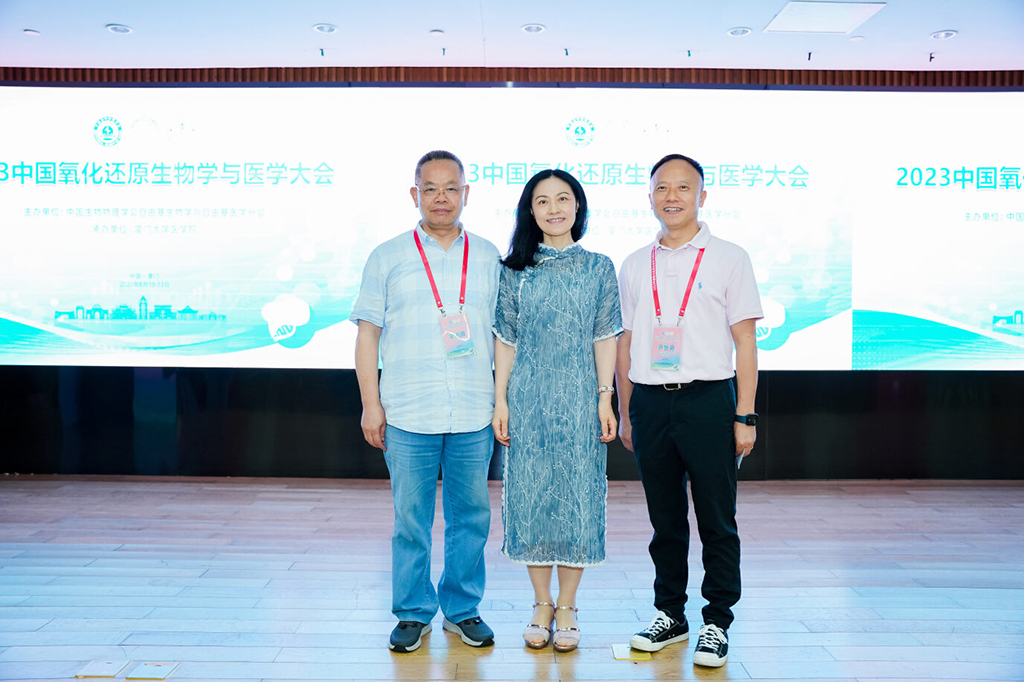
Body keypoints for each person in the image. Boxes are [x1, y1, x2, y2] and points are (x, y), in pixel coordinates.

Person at [351, 150, 501, 653]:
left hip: (474, 410)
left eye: (451, 188)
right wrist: (371, 404)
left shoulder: (489, 256)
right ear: (414, 194)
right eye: (430, 189)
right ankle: (413, 612)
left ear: (465, 194)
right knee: (410, 521)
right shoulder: (388, 255)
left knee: (471, 518)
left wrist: (504, 400)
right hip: (407, 410)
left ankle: (462, 609)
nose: (441, 198)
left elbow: (504, 336)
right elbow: (367, 335)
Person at [616, 154, 762, 668]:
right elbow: (625, 342)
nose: (672, 196)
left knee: (717, 519)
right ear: (650, 196)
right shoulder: (635, 263)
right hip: (650, 402)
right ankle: (669, 614)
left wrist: (745, 415)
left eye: (683, 187)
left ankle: (717, 621)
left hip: (708, 400)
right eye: (662, 188)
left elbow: (746, 343)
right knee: (665, 521)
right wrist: (627, 411)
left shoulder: (729, 257)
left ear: (702, 196)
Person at [491, 169, 622, 653]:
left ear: (578, 206)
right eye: (542, 201)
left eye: (563, 199)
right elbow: (506, 340)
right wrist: (501, 400)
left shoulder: (599, 268)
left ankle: (567, 606)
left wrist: (605, 397)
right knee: (532, 499)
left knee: (576, 500)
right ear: (530, 211)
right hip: (528, 403)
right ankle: (541, 603)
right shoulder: (514, 270)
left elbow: (604, 337)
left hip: (581, 402)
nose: (554, 209)